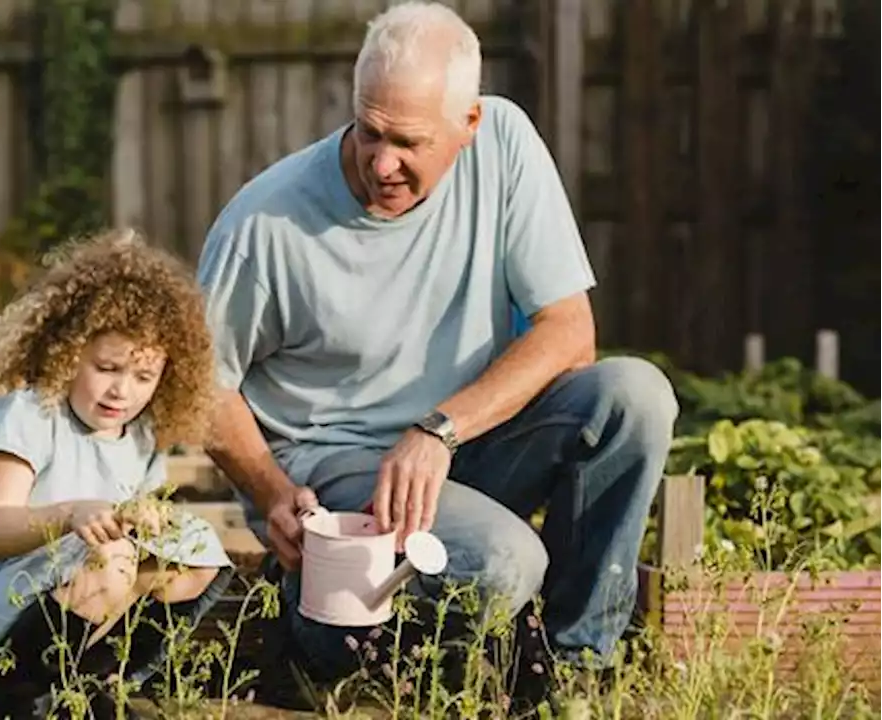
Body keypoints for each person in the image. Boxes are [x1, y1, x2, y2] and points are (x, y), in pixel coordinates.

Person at [195, 0, 678, 710]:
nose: (380, 163)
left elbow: (569, 332)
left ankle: (572, 672)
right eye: (368, 132)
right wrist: (270, 493)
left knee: (635, 397)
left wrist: (439, 430)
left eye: (408, 143)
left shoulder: (506, 142)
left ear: (469, 127)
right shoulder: (265, 224)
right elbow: (202, 384)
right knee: (503, 562)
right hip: (341, 471)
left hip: (460, 445)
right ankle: (316, 632)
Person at [0, 228, 235, 720]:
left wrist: (148, 518)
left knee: (193, 551)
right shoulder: (32, 413)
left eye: (143, 377)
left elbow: (146, 543)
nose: (122, 391)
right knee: (113, 557)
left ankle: (87, 684)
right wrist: (71, 514)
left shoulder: (140, 437)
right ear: (68, 350)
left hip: (61, 604)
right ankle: (13, 698)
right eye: (106, 367)